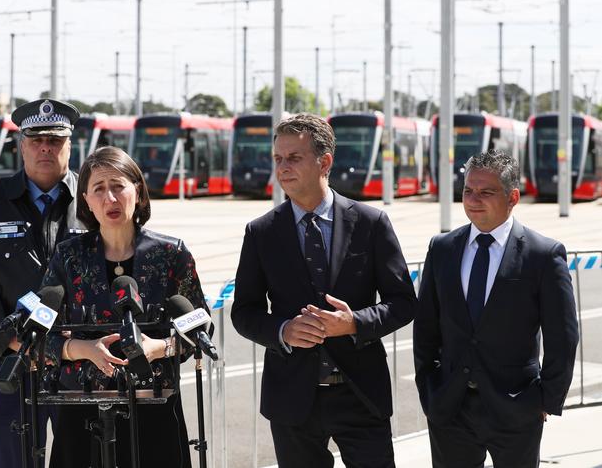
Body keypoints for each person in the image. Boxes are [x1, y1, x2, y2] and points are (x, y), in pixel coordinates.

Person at [231, 113, 417, 468]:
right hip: (292, 399)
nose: (283, 168)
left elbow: (404, 303)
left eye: (294, 158)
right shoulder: (261, 232)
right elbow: (244, 312)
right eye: (278, 159)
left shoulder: (371, 223)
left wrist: (354, 323)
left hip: (362, 395)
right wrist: (283, 330)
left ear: (324, 162)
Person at [413, 150, 579, 468]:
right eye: (468, 191)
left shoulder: (543, 255)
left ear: (512, 197)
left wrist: (546, 399)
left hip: (516, 408)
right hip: (450, 408)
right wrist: (429, 389)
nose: (474, 200)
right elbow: (426, 327)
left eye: (486, 192)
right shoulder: (442, 248)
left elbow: (563, 336)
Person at [41, 146, 202, 467]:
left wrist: (160, 347)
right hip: (82, 406)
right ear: (85, 200)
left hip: (153, 405)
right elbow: (39, 335)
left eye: (118, 186)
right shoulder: (68, 257)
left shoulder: (171, 254)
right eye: (98, 189)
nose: (110, 199)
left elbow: (199, 326)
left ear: (138, 191)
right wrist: (82, 348)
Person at [0, 98, 85, 468]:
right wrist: (4, 337)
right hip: (15, 357)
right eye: (36, 139)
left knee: (83, 455)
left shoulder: (92, 198)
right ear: (22, 145)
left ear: (70, 145)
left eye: (55, 140)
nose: (46, 147)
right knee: (12, 457)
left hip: (79, 359)